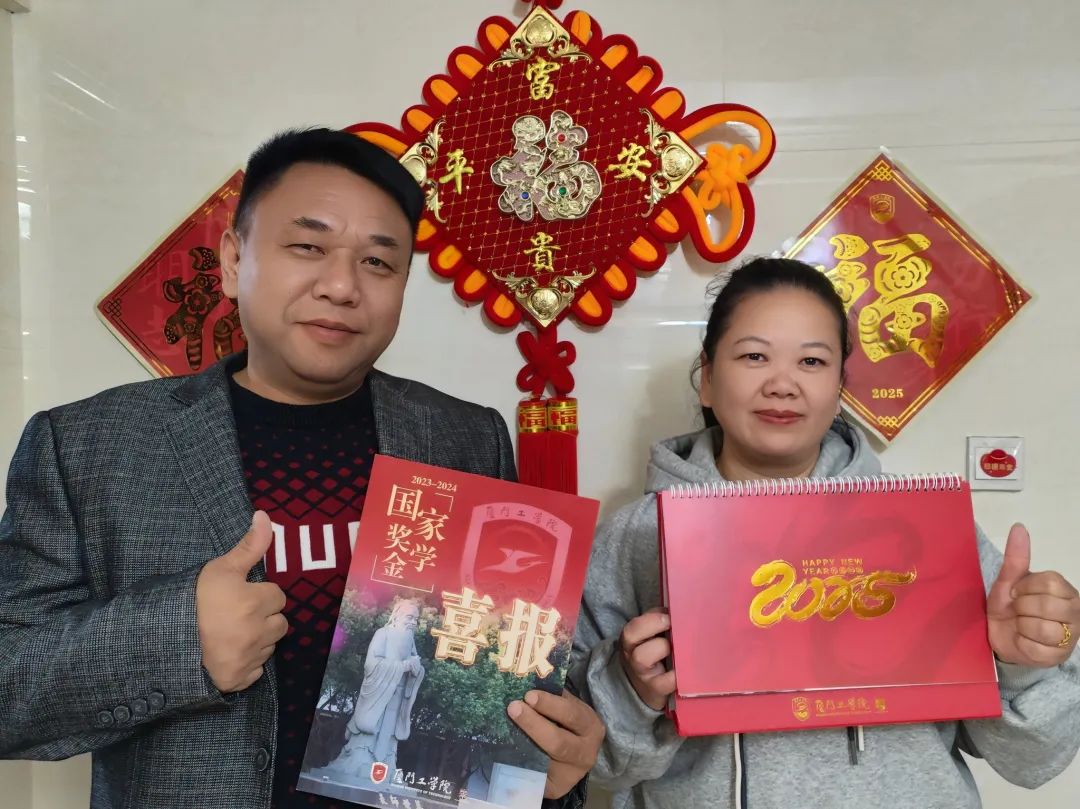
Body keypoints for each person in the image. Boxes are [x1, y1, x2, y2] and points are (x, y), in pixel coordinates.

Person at [0, 127, 602, 809]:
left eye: (378, 262)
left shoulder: (465, 438)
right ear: (234, 260)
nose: (342, 286)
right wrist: (179, 640)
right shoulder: (89, 445)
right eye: (307, 247)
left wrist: (546, 774)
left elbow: (501, 682)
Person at [571, 257, 1080, 808]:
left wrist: (1018, 665)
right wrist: (631, 690)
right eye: (754, 356)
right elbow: (583, 764)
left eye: (811, 361)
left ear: (839, 389)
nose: (782, 384)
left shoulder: (923, 526)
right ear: (709, 379)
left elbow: (1035, 761)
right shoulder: (635, 536)